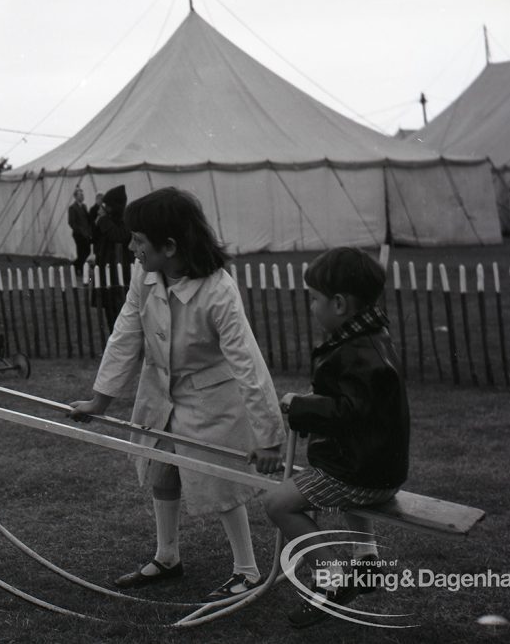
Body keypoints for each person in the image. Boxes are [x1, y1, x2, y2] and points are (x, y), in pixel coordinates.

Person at [68, 187, 285, 599]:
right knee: (160, 470)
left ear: (170, 246)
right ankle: (167, 556)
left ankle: (247, 570)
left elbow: (248, 364)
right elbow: (125, 333)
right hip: (160, 389)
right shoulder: (145, 276)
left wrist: (269, 435)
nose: (131, 247)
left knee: (219, 483)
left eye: (139, 240)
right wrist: (101, 399)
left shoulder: (218, 291)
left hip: (210, 397)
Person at [263, 247, 409, 629]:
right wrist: (311, 403)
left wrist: (300, 407)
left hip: (357, 472)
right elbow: (354, 407)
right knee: (332, 499)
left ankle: (332, 577)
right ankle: (365, 561)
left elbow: (347, 413)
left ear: (340, 303)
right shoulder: (371, 338)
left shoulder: (358, 353)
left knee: (278, 504)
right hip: (378, 469)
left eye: (314, 299)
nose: (311, 307)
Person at [93, 184, 133, 328]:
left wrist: (103, 220)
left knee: (122, 312)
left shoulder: (125, 220)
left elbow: (119, 236)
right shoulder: (109, 220)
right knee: (110, 311)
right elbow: (95, 237)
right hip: (107, 270)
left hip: (120, 272)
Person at [67, 186, 93, 275]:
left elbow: (87, 220)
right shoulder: (72, 208)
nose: (82, 196)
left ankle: (76, 265)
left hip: (86, 233)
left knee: (87, 251)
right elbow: (71, 222)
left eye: (82, 195)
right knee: (81, 252)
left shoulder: (84, 206)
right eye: (80, 195)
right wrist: (80, 231)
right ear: (75, 196)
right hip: (78, 234)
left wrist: (89, 231)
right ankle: (80, 270)